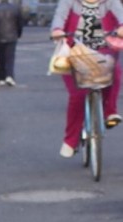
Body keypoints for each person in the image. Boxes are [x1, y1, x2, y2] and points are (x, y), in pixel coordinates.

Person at [51, 0, 123, 158]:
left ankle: (110, 111)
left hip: (104, 50)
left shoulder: (110, 2)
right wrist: (57, 30)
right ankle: (70, 140)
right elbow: (59, 17)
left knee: (114, 71)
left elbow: (121, 15)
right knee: (78, 94)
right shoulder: (69, 2)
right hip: (75, 52)